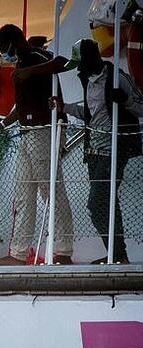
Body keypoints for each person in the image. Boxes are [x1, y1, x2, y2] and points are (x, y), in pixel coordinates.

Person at [0, 23, 74, 265]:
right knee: (24, 194)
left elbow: (62, 62)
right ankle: (18, 253)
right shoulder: (21, 62)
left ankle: (63, 250)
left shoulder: (35, 56)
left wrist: (30, 72)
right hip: (27, 131)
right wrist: (3, 125)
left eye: (3, 48)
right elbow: (21, 104)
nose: (3, 53)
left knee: (51, 192)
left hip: (44, 131)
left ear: (15, 42)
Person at [57, 38, 143, 264]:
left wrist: (124, 101)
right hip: (93, 151)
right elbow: (90, 112)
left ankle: (117, 254)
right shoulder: (87, 80)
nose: (78, 70)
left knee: (96, 203)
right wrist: (63, 107)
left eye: (80, 64)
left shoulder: (117, 78)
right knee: (106, 205)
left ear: (89, 59)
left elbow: (141, 106)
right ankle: (117, 254)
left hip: (115, 149)